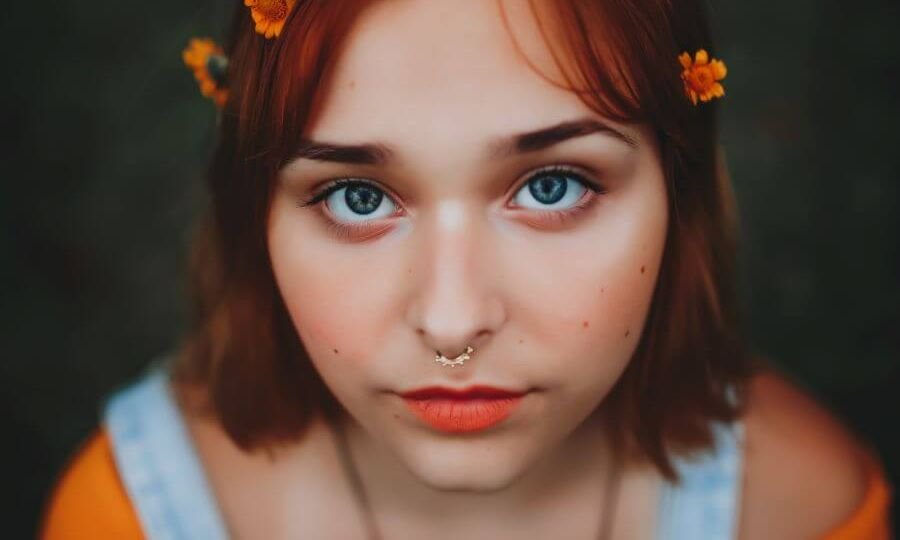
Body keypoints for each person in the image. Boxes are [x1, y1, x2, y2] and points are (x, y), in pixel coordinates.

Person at [40, 1, 892, 538]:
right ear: (253, 215)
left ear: (680, 194)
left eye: (552, 186)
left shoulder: (798, 510)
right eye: (358, 198)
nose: (452, 325)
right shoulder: (130, 516)